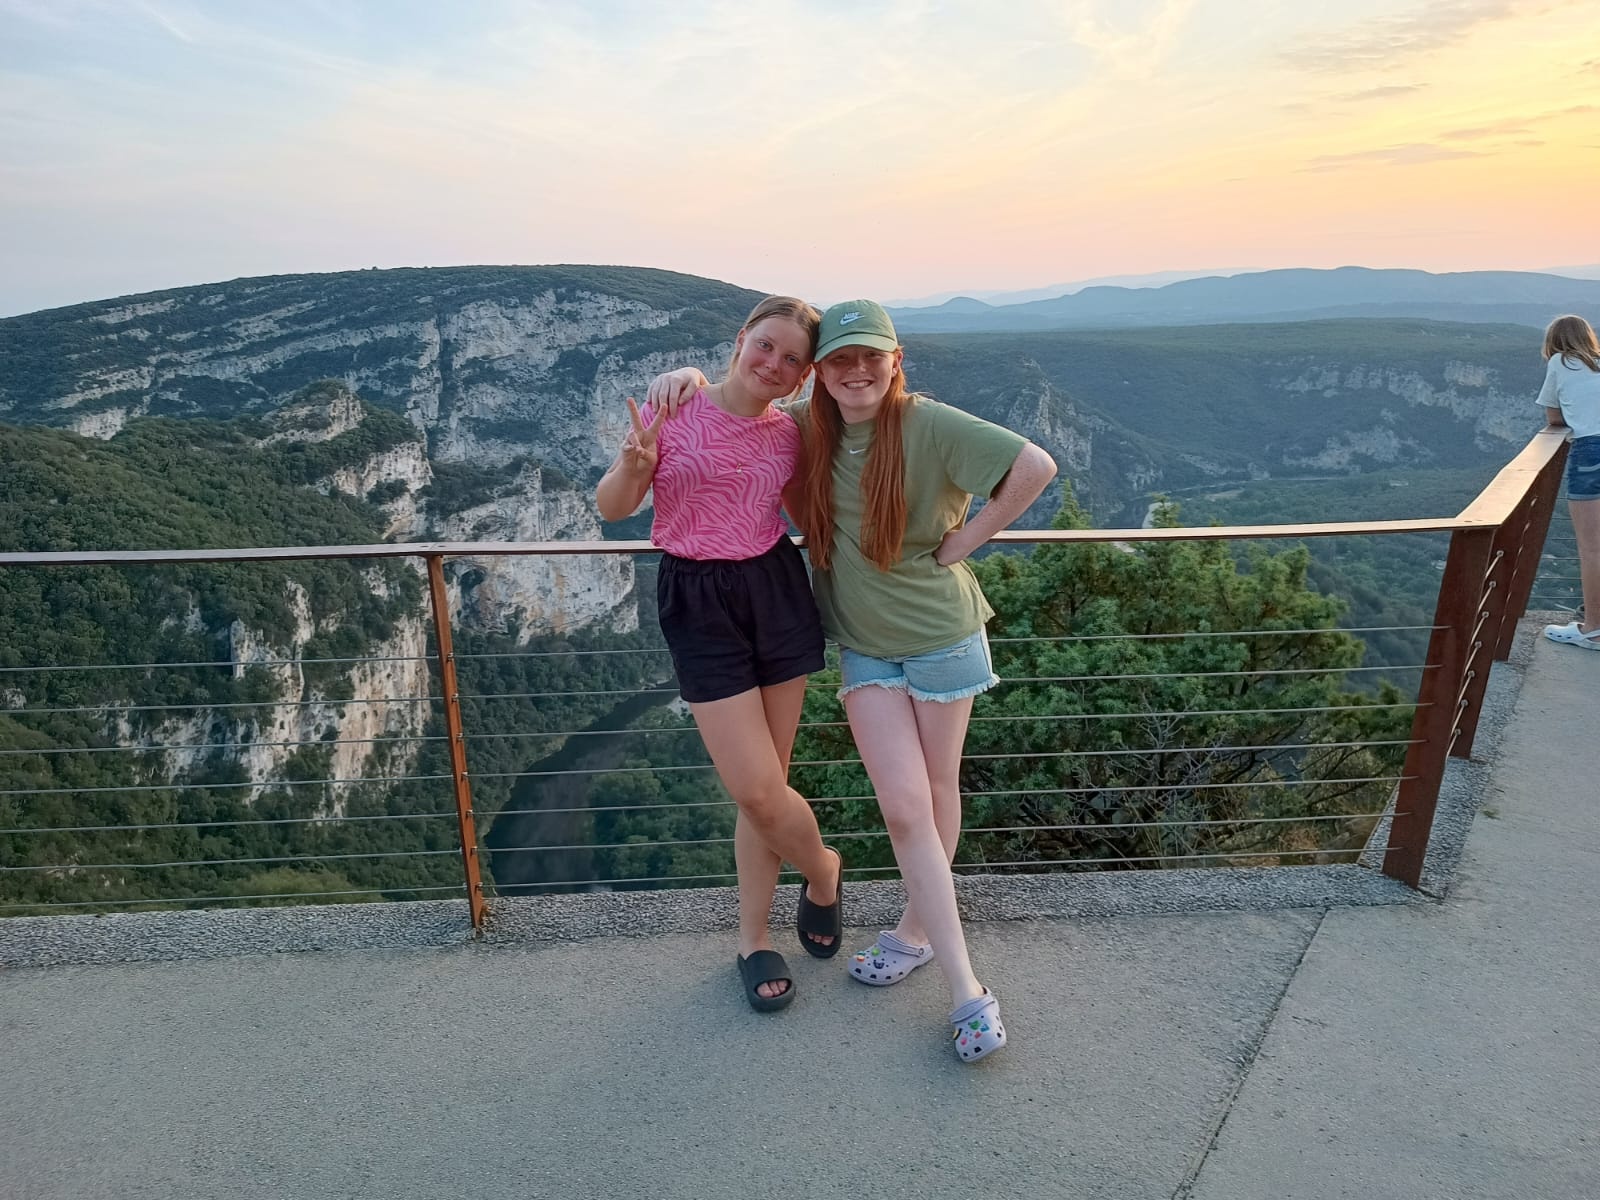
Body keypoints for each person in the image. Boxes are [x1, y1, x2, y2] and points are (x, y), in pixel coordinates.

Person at [651, 299, 1057, 1062]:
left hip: (943, 638)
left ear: (896, 362)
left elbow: (1034, 466)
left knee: (934, 792)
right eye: (840, 359)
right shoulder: (810, 427)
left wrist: (965, 541)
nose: (857, 371)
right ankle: (929, 951)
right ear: (820, 373)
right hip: (865, 647)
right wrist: (686, 376)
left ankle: (937, 958)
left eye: (872, 356)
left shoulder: (929, 423)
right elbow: (739, 409)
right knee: (904, 808)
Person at [595, 295, 844, 1013]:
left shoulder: (790, 432)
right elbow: (613, 508)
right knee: (756, 790)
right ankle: (824, 871)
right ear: (741, 340)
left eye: (793, 359)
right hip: (698, 600)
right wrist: (634, 464)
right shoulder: (673, 406)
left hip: (774, 591)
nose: (774, 364)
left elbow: (810, 514)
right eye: (766, 345)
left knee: (770, 784)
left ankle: (753, 938)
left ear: (804, 376)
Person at [1535, 314, 1600, 649]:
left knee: (1592, 547)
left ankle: (1593, 629)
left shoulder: (1560, 362)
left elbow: (1554, 415)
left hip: (1591, 450)